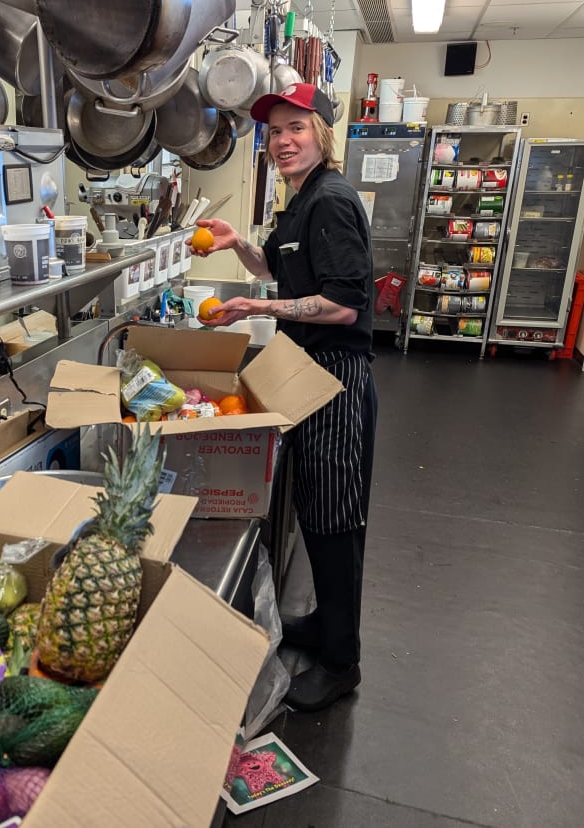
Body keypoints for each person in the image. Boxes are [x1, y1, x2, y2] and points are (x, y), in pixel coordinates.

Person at [187, 82, 377, 712]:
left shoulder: (332, 202)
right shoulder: (299, 203)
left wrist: (256, 307)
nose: (283, 140)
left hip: (338, 380)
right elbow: (276, 268)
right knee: (318, 512)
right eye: (274, 132)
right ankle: (324, 626)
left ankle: (341, 661)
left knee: (335, 523)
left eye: (297, 127)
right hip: (306, 373)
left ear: (322, 133)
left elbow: (346, 305)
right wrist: (239, 243)